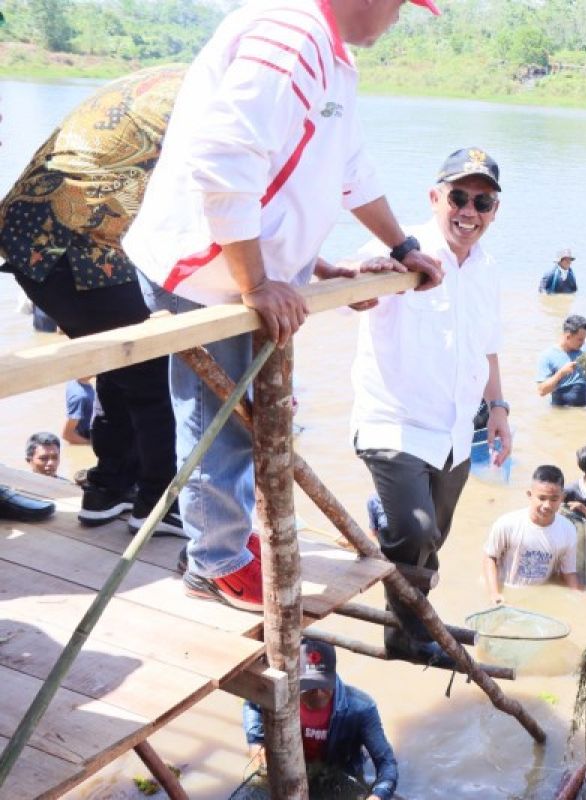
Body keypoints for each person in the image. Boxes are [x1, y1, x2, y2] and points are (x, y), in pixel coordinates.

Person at [124, 0, 445, 611]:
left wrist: (391, 247)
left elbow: (346, 172)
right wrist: (257, 282)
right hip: (207, 270)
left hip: (244, 267)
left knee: (248, 420)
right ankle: (214, 561)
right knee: (219, 420)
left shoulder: (333, 57)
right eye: (402, 4)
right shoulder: (289, 36)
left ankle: (221, 538)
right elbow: (224, 161)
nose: (400, 17)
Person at [0, 66, 185, 535]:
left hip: (39, 236)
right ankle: (157, 507)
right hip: (69, 242)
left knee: (121, 366)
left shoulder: (179, 82)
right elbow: (229, 200)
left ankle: (109, 490)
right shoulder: (218, 102)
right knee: (151, 373)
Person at [349, 148, 511, 663]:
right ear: (435, 197)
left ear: (495, 210)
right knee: (416, 531)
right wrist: (365, 276)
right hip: (394, 424)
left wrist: (500, 409)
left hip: (456, 433)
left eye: (482, 202)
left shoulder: (487, 269)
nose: (469, 212)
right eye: (459, 198)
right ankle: (406, 637)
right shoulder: (397, 248)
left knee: (431, 539)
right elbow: (352, 287)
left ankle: (393, 547)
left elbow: (488, 345)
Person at [242, 639, 398, 799]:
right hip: (293, 767)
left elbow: (387, 764)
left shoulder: (361, 708)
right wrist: (255, 741)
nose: (317, 692)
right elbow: (253, 703)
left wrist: (377, 796)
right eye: (310, 684)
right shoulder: (281, 693)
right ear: (295, 678)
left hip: (337, 775)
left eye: (323, 683)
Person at [482, 465, 582, 605]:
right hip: (507, 591)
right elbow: (490, 557)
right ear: (530, 495)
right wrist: (494, 593)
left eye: (554, 499)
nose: (547, 505)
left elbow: (568, 572)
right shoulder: (507, 523)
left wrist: (580, 598)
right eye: (541, 498)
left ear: (562, 497)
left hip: (540, 595)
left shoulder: (568, 530)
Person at [536, 315, 586, 407]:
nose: (583, 343)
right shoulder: (547, 356)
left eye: (585, 339)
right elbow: (542, 391)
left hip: (585, 409)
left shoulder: (585, 349)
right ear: (568, 336)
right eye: (580, 339)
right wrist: (561, 373)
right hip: (561, 410)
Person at [62, 377, 96, 445]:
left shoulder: (74, 381)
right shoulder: (80, 397)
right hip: (88, 435)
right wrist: (91, 444)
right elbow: (67, 435)